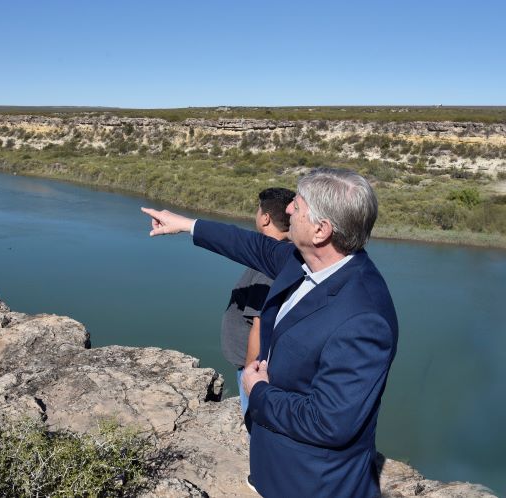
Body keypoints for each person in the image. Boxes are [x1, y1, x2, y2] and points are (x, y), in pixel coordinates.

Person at [142, 168, 398, 498]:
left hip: (312, 482)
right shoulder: (305, 262)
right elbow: (251, 245)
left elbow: (330, 423)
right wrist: (186, 225)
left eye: (299, 206)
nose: (288, 209)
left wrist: (258, 391)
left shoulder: (363, 318)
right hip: (276, 465)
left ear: (321, 230)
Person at [221, 188, 294, 486]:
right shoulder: (279, 256)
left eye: (256, 210)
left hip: (253, 368)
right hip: (259, 365)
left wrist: (251, 377)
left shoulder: (268, 269)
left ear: (264, 217)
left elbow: (259, 326)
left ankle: (265, 480)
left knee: (258, 424)